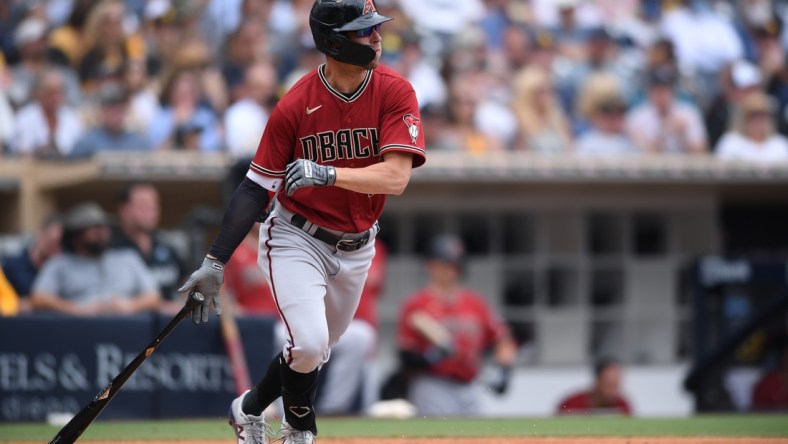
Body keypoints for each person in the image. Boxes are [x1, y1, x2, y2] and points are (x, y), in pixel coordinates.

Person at [176, 1, 426, 443]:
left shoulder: (395, 90)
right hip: (297, 235)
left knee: (312, 351)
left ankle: (248, 408)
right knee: (308, 344)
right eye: (361, 30)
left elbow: (396, 177)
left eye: (373, 27)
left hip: (357, 245)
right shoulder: (296, 103)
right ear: (332, 41)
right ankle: (299, 429)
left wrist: (328, 173)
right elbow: (255, 187)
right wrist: (215, 261)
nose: (375, 37)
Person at [395, 233, 518, 416]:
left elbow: (504, 340)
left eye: (454, 265)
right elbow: (405, 356)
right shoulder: (417, 304)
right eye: (443, 264)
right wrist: (431, 357)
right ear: (430, 265)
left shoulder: (476, 303)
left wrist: (503, 372)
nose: (449, 270)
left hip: (470, 383)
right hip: (433, 384)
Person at [30, 202, 161, 315]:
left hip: (126, 327)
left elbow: (153, 297)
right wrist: (75, 308)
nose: (102, 233)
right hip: (79, 329)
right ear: (76, 235)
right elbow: (38, 299)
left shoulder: (128, 258)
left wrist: (130, 306)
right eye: (94, 229)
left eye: (104, 228)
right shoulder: (59, 263)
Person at [110, 182, 186, 313]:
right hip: (130, 326)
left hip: (172, 325)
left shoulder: (167, 245)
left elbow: (187, 281)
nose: (151, 211)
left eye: (154, 205)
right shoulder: (111, 249)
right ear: (124, 209)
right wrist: (159, 306)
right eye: (143, 206)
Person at [625, 66, 708, 155]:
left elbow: (702, 152)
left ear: (673, 91)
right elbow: (643, 156)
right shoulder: (637, 117)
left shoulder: (688, 113)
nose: (662, 95)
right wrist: (664, 132)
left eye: (665, 90)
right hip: (650, 168)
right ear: (649, 92)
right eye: (657, 90)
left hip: (685, 166)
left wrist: (683, 134)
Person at [69, 82, 152, 158]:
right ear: (102, 111)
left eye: (120, 109)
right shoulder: (88, 142)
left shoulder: (136, 142)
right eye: (112, 110)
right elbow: (70, 165)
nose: (116, 115)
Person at [1, 213, 63, 312]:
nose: (57, 249)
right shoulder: (12, 266)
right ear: (40, 233)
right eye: (52, 242)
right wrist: (16, 304)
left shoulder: (64, 270)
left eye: (61, 245)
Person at [715, 91, 788, 164]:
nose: (758, 121)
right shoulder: (731, 142)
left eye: (762, 116)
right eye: (753, 116)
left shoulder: (780, 144)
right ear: (743, 118)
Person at [556, 357, 632, 415]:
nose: (612, 391)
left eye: (616, 385)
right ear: (597, 381)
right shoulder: (572, 404)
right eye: (608, 385)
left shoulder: (622, 407)